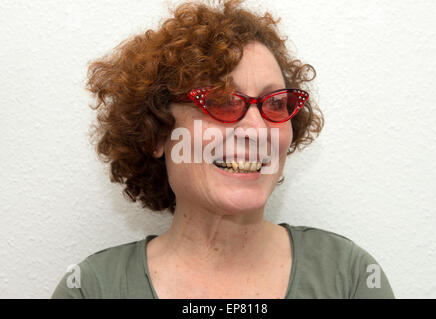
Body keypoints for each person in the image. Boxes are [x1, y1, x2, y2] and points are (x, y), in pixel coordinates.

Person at [52, 0, 395, 299]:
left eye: (275, 104)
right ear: (156, 134)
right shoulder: (91, 289)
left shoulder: (350, 278)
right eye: (219, 102)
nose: (257, 129)